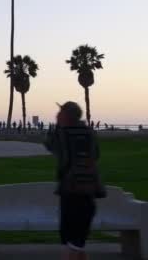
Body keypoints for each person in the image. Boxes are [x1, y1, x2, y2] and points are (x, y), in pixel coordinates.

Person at [44, 102, 105, 260]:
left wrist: (55, 129)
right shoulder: (89, 132)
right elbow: (96, 155)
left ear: (66, 116)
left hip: (71, 186)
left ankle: (74, 253)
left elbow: (52, 147)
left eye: (60, 113)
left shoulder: (63, 133)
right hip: (89, 185)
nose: (57, 115)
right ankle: (78, 252)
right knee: (81, 225)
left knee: (69, 226)